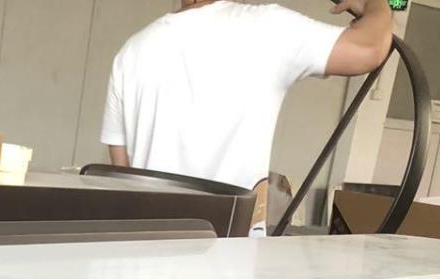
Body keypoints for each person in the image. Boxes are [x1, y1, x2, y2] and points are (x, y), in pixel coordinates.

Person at [101, 0, 394, 190]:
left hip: (144, 251)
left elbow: (121, 166)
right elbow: (368, 50)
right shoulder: (268, 27)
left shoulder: (131, 51)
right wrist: (377, 5)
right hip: (230, 257)